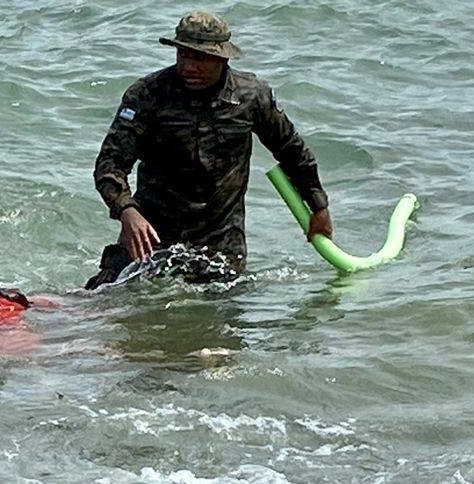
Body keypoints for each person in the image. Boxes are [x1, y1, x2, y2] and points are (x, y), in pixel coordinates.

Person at [86, 10, 331, 288]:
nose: (189, 66)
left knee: (217, 326)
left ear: (222, 57)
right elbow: (110, 163)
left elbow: (291, 150)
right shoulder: (147, 95)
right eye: (183, 55)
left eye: (200, 58)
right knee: (102, 302)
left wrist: (319, 206)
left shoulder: (250, 97)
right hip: (151, 237)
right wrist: (126, 210)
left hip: (221, 245)